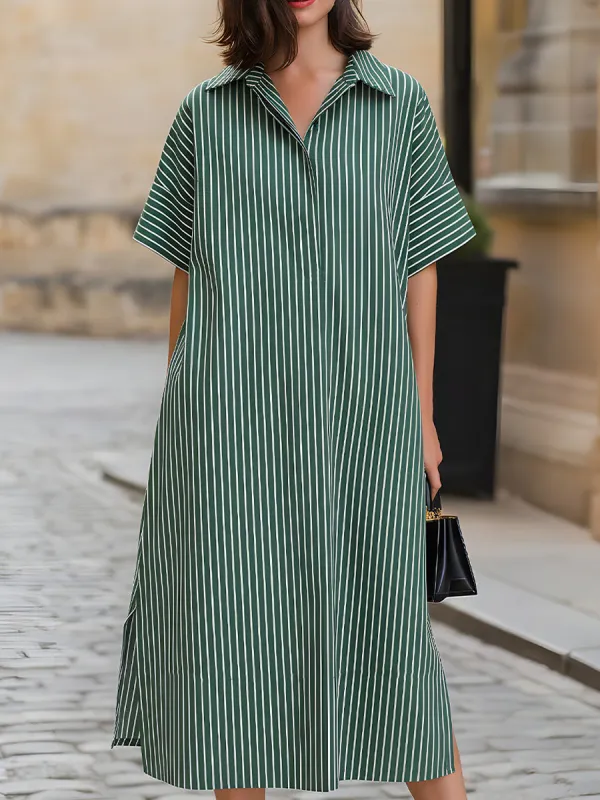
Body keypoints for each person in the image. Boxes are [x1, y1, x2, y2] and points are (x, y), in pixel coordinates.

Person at [112, 1, 476, 798]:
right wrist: (184, 416)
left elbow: (422, 266)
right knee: (236, 638)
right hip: (231, 420)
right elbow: (186, 270)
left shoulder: (399, 104)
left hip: (364, 419)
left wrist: (421, 415)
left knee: (391, 639)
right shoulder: (207, 114)